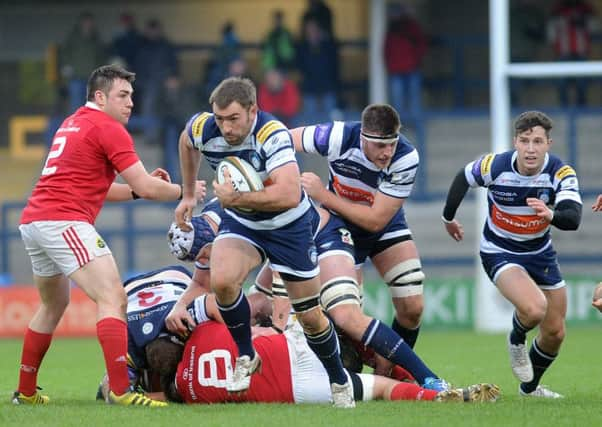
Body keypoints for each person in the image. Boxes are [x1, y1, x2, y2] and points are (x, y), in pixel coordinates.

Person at [13, 64, 206, 407]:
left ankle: (25, 393)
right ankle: (121, 390)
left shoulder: (73, 123)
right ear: (100, 97)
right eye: (122, 95)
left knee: (53, 304)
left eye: (131, 96)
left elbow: (97, 188)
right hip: (63, 221)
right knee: (113, 296)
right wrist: (184, 190)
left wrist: (136, 190)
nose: (130, 103)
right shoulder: (108, 127)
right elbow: (147, 186)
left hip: (36, 222)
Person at [174, 76, 355, 407]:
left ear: (253, 110)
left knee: (310, 314)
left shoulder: (273, 135)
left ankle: (338, 379)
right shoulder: (206, 129)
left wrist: (238, 195)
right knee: (224, 281)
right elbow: (185, 141)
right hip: (243, 221)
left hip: (289, 227)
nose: (226, 128)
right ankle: (246, 355)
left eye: (234, 119)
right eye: (219, 118)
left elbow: (289, 193)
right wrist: (188, 193)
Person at [167, 200, 450, 392]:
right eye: (200, 258)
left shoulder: (239, 210)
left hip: (322, 236)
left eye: (205, 254)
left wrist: (279, 329)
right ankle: (383, 375)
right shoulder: (209, 233)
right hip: (286, 250)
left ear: (209, 235)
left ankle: (429, 378)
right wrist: (178, 307)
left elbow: (283, 270)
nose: (206, 260)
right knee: (254, 305)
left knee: (345, 316)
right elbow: (201, 282)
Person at [441, 110, 582, 399]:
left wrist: (550, 214)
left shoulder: (560, 172)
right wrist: (448, 217)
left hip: (540, 254)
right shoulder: (496, 165)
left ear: (548, 144)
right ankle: (516, 340)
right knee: (534, 308)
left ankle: (529, 390)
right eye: (525, 140)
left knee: (555, 332)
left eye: (538, 141)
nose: (531, 148)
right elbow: (462, 177)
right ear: (515, 142)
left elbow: (573, 218)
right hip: (500, 251)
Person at [290, 104, 426, 352]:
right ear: (363, 137)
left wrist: (322, 194)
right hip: (339, 224)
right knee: (348, 320)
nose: (387, 152)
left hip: (383, 222)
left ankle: (392, 374)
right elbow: (284, 141)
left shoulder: (406, 157)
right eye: (380, 145)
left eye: (391, 144)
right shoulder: (338, 136)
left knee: (413, 307)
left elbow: (376, 221)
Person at [547, 0, 598, 106]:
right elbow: (551, 32)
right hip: (563, 53)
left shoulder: (585, 9)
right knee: (562, 83)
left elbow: (594, 28)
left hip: (581, 52)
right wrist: (554, 48)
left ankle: (582, 108)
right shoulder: (558, 10)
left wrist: (583, 22)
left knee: (582, 83)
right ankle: (564, 108)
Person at [383, 3, 428, 119]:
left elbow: (421, 45)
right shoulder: (390, 29)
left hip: (412, 69)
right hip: (396, 71)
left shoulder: (412, 27)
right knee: (398, 102)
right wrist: (390, 66)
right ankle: (401, 129)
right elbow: (386, 51)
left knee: (414, 101)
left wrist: (416, 60)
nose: (394, 16)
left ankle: (418, 130)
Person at [59, 11, 107, 114]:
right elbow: (64, 54)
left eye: (90, 22)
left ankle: (89, 128)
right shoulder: (73, 37)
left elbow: (101, 57)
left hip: (91, 79)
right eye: (86, 22)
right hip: (76, 77)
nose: (88, 24)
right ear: (81, 23)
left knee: (91, 106)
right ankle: (76, 127)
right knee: (75, 105)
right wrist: (66, 67)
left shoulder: (96, 39)